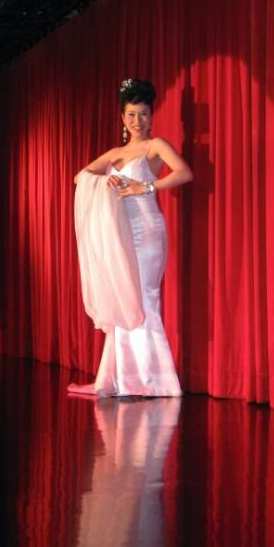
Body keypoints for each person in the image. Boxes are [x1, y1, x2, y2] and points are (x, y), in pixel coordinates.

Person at [68, 78, 193, 398]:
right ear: (122, 117)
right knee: (124, 298)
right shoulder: (115, 153)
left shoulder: (156, 146)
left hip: (147, 232)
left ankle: (153, 380)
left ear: (151, 116)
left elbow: (184, 173)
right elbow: (80, 177)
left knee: (144, 298)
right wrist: (105, 183)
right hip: (121, 235)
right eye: (132, 115)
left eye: (144, 114)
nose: (138, 121)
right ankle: (116, 379)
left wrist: (145, 186)